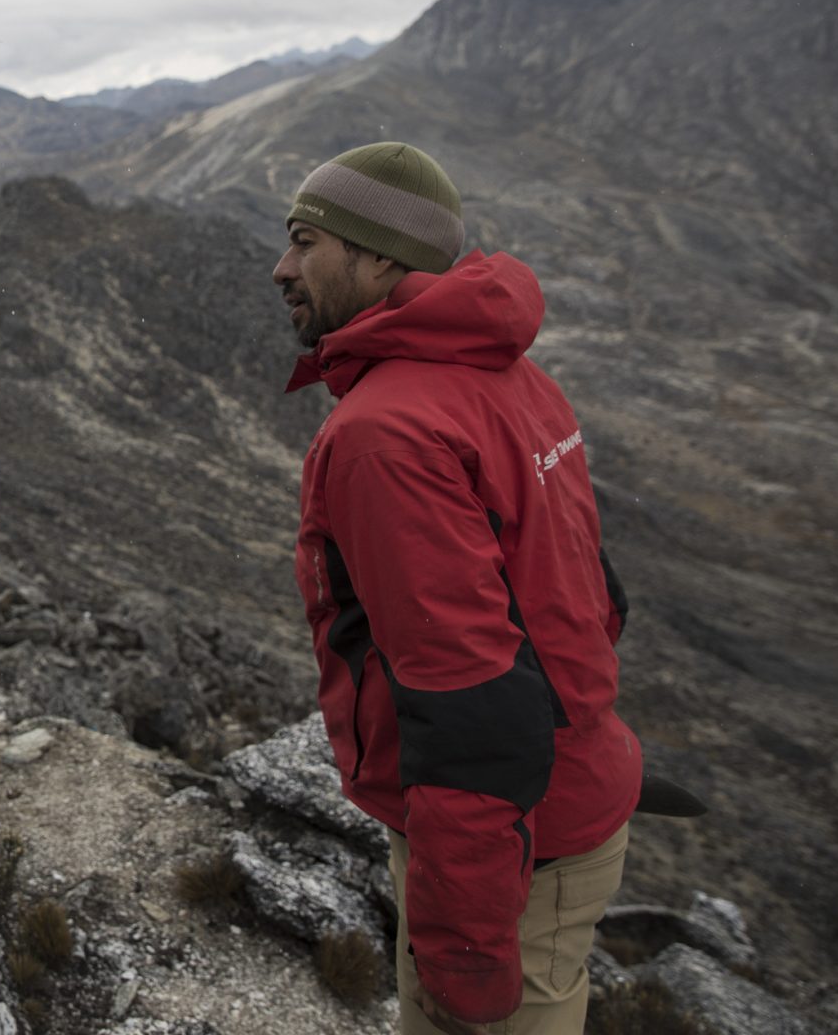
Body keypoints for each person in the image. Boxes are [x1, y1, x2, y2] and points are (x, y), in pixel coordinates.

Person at [271, 143, 641, 1034]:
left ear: (381, 257)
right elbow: (589, 594)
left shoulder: (385, 432)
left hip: (510, 849)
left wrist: (465, 939)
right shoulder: (509, 374)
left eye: (306, 241)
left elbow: (468, 700)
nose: (282, 268)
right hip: (563, 803)